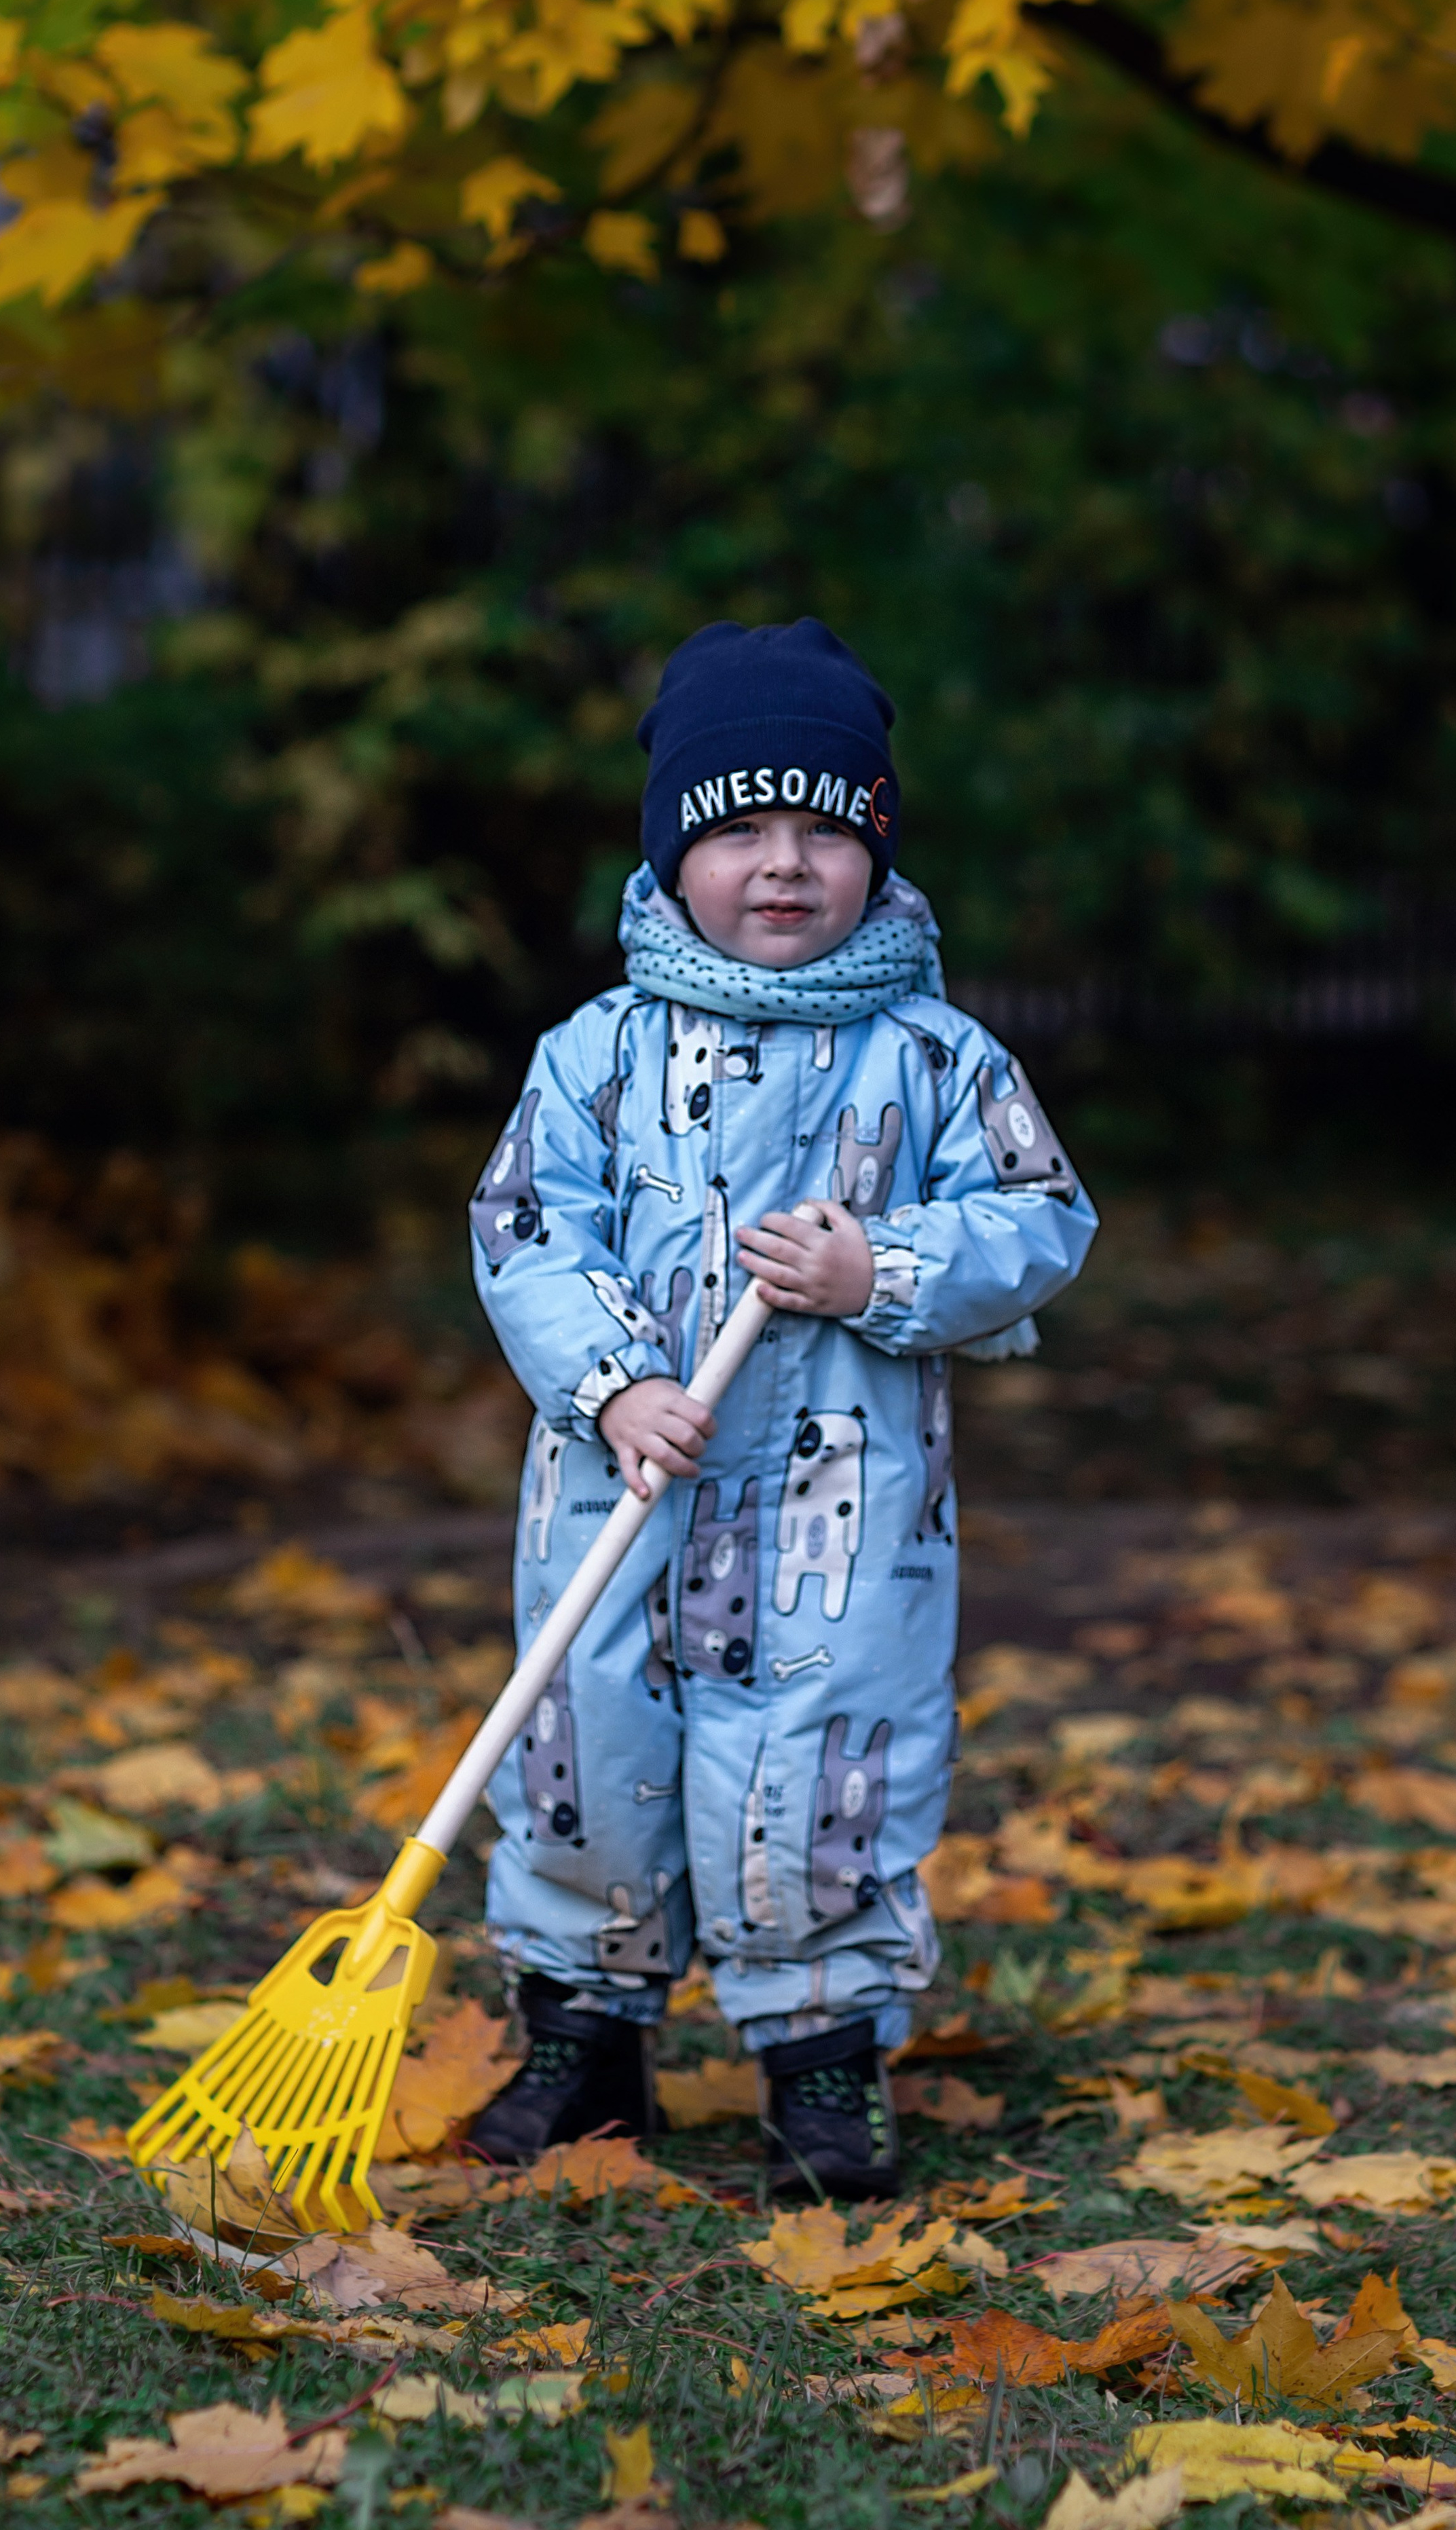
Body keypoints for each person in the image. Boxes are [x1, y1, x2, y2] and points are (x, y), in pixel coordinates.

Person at [466, 618, 1096, 2197]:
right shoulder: (593, 1056)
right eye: (738, 827)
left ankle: (821, 2066)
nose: (783, 864)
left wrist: (879, 1263)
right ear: (675, 850)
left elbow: (1039, 1223)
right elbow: (526, 1229)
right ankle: (581, 2039)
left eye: (825, 828)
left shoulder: (937, 1058)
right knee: (584, 1747)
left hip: (844, 1505)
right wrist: (614, 1386)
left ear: (874, 851)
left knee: (821, 1767)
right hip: (621, 1488)